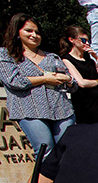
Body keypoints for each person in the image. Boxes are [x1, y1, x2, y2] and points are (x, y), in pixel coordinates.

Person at [0, 13, 76, 159]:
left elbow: (73, 85)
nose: (34, 35)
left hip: (61, 111)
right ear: (17, 32)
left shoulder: (52, 57)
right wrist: (44, 78)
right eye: (29, 31)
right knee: (45, 150)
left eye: (37, 32)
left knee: (67, 151)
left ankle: (64, 182)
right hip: (29, 110)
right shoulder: (6, 55)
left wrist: (68, 79)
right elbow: (14, 81)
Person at [60, 25, 98, 124]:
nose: (86, 43)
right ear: (72, 40)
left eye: (88, 41)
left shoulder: (89, 60)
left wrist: (97, 59)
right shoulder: (67, 59)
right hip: (84, 104)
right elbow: (81, 83)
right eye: (83, 40)